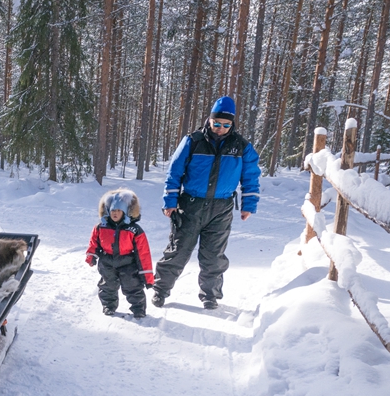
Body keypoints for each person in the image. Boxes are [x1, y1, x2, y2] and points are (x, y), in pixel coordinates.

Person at [152, 95, 260, 310]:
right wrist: (170, 201)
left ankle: (210, 295)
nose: (220, 128)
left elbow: (250, 177)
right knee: (178, 250)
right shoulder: (193, 141)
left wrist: (249, 205)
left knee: (214, 255)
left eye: (225, 124)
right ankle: (160, 289)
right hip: (190, 205)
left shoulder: (241, 146)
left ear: (232, 124)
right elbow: (174, 172)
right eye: (216, 123)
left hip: (221, 208)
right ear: (209, 121)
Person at [86, 188, 154, 318]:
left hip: (128, 263)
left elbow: (143, 253)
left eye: (119, 210)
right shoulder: (101, 227)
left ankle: (138, 308)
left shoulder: (134, 229)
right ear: (107, 211)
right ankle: (108, 305)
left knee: (132, 286)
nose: (115, 213)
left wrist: (147, 276)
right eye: (112, 210)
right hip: (107, 262)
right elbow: (94, 242)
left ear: (125, 212)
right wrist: (91, 255)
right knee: (107, 286)